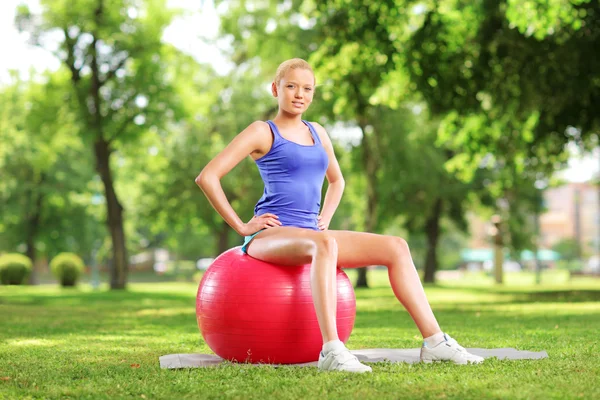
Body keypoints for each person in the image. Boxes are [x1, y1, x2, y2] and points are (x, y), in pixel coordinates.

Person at [196, 58, 484, 373]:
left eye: (307, 88)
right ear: (275, 89)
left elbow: (337, 180)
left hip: (313, 234)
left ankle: (435, 342)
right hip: (270, 236)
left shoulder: (317, 131)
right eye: (291, 86)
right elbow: (208, 177)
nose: (299, 94)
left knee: (396, 246)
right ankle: (332, 350)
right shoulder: (262, 132)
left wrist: (325, 218)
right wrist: (241, 225)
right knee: (324, 245)